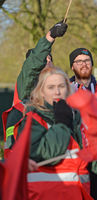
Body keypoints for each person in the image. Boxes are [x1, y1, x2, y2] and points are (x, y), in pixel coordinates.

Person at [15, 66, 97, 199]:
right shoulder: (32, 120)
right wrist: (62, 124)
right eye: (51, 87)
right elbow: (45, 153)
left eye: (61, 87)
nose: (57, 92)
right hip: (46, 194)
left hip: (78, 193)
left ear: (68, 89)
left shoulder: (77, 117)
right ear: (41, 92)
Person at [2, 21, 67, 157]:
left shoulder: (57, 90)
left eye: (50, 59)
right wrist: (50, 36)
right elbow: (33, 64)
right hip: (23, 159)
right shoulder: (27, 85)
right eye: (45, 59)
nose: (48, 62)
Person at [68, 47, 97, 200]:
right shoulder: (64, 89)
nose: (84, 64)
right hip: (76, 155)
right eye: (79, 61)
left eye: (87, 60)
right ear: (72, 66)